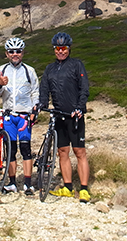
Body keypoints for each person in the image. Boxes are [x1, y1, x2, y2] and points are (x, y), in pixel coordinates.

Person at [38, 32, 91, 203]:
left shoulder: (77, 65)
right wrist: (42, 103)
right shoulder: (49, 69)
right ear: (54, 49)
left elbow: (84, 88)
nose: (61, 51)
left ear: (69, 49)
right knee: (62, 152)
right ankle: (67, 187)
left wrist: (80, 107)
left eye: (64, 48)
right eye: (57, 48)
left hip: (75, 115)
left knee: (79, 151)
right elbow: (44, 88)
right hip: (58, 115)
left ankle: (84, 189)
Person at [0, 37, 39, 195]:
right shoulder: (1, 70)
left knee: (26, 148)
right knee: (10, 150)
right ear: (6, 54)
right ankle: (12, 182)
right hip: (8, 116)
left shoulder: (29, 71)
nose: (15, 54)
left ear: (23, 53)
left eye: (18, 51)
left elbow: (35, 92)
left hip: (24, 116)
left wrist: (35, 111)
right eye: (11, 51)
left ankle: (27, 183)